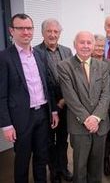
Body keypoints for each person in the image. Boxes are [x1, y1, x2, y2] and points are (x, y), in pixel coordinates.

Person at [0, 13, 59, 183]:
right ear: (12, 31)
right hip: (21, 119)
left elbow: (47, 85)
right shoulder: (4, 58)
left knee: (42, 157)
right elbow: (2, 95)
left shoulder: (40, 55)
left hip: (42, 114)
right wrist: (6, 125)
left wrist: (53, 110)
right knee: (22, 160)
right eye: (21, 28)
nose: (26, 32)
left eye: (29, 28)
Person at [57, 31, 110, 183]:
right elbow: (70, 97)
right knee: (79, 167)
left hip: (100, 125)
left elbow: (105, 95)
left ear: (94, 45)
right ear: (75, 45)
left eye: (89, 42)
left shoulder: (102, 66)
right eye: (82, 42)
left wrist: (96, 118)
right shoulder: (64, 66)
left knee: (96, 167)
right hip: (79, 125)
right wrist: (87, 119)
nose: (86, 46)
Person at [35, 18, 73, 183]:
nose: (52, 34)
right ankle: (54, 171)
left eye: (55, 31)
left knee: (63, 140)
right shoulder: (35, 52)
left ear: (59, 33)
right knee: (49, 141)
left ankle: (63, 168)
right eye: (49, 31)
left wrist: (64, 99)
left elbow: (72, 77)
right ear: (42, 33)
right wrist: (54, 104)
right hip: (47, 105)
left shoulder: (67, 51)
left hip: (66, 103)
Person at [93, 34, 110, 176]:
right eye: (97, 45)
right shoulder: (87, 62)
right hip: (92, 108)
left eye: (102, 46)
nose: (100, 48)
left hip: (109, 107)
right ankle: (95, 161)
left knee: (108, 135)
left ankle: (105, 159)